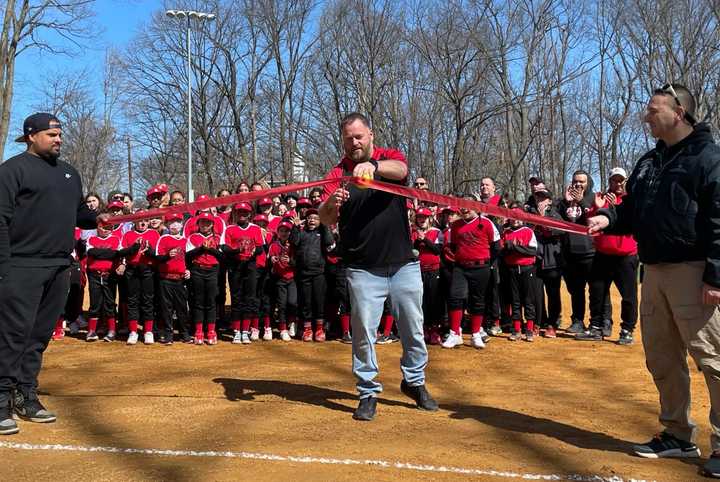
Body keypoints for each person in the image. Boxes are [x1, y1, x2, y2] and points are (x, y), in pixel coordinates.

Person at [586, 83, 720, 476]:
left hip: (694, 272)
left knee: (712, 359)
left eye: (653, 109)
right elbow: (632, 209)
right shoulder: (650, 160)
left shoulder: (708, 159)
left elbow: (719, 222)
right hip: (654, 271)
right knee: (661, 356)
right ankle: (677, 435)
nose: (646, 116)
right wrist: (607, 218)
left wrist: (715, 276)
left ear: (679, 112)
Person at [319, 112, 438, 421]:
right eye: (349, 138)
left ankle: (414, 382)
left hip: (403, 264)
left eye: (359, 136)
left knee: (413, 329)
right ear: (343, 140)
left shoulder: (389, 158)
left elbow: (400, 170)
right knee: (363, 334)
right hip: (361, 268)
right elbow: (325, 218)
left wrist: (372, 166)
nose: (355, 142)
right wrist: (333, 203)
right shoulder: (337, 174)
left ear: (370, 135)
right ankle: (368, 391)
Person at [0, 113, 101, 435]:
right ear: (31, 136)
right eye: (52, 134)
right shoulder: (12, 171)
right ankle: (1, 397)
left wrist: (100, 217)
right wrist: (3, 267)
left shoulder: (69, 174)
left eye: (59, 134)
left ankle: (26, 394)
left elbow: (81, 216)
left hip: (59, 265)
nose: (58, 139)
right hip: (20, 265)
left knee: (40, 335)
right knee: (12, 333)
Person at [577, 167, 638, 344]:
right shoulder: (600, 198)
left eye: (621, 180)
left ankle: (627, 329)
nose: (618, 183)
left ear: (625, 182)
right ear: (610, 181)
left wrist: (614, 208)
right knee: (596, 292)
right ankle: (596, 327)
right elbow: (590, 222)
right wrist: (596, 208)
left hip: (625, 256)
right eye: (614, 180)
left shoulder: (630, 201)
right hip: (602, 254)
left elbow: (630, 221)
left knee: (629, 296)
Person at [557, 170, 596, 334]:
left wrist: (581, 202)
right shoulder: (564, 201)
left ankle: (599, 322)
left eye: (582, 181)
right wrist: (566, 203)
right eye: (575, 181)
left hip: (591, 252)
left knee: (596, 290)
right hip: (570, 253)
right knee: (576, 290)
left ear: (588, 183)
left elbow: (594, 217)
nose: (578, 184)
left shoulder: (594, 199)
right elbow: (556, 221)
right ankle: (577, 321)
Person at [501, 202, 538, 342]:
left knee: (528, 300)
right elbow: (502, 251)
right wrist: (509, 248)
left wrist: (515, 248)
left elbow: (533, 251)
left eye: (518, 216)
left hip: (527, 269)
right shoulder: (507, 233)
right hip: (511, 269)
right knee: (515, 300)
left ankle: (529, 329)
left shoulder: (528, 231)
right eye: (513, 216)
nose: (515, 219)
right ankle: (516, 329)